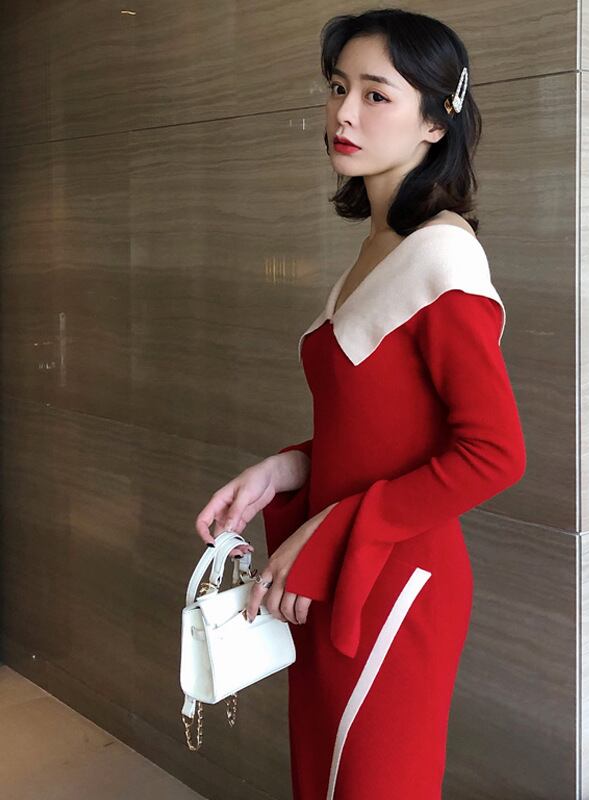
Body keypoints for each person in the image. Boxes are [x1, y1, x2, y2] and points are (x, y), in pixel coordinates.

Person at [195, 8, 526, 798]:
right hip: (340, 567)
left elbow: (495, 454)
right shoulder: (379, 250)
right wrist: (284, 472)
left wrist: (336, 525)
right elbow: (383, 431)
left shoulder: (442, 256)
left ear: (436, 122)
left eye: (376, 95)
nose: (344, 113)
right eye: (338, 88)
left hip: (397, 579)